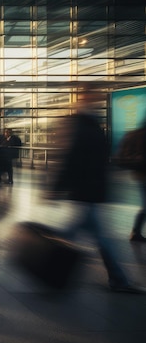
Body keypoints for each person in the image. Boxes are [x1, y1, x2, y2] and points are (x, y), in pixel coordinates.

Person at [51, 89, 142, 293]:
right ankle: (119, 280)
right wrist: (55, 187)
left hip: (88, 190)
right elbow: (69, 157)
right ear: (85, 99)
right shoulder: (81, 124)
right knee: (98, 238)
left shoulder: (87, 122)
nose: (98, 100)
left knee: (77, 234)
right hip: (86, 190)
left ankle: (48, 264)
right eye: (94, 97)